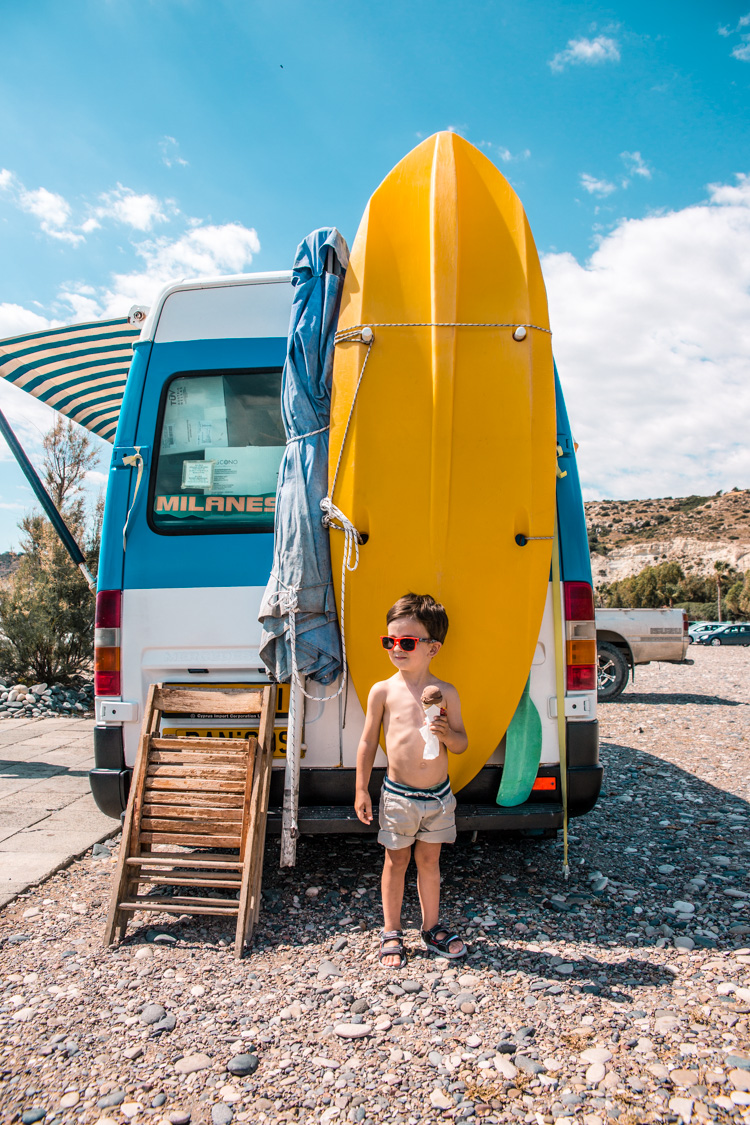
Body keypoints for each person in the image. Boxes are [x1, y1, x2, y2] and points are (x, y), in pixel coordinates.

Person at [354, 593, 469, 968]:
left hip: (437, 797)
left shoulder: (446, 692)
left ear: (433, 648)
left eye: (406, 642)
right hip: (398, 796)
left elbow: (461, 742)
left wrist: (445, 733)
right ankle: (391, 930)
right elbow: (369, 741)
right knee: (395, 861)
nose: (396, 649)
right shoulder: (383, 691)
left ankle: (431, 927)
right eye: (390, 641)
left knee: (430, 861)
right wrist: (360, 788)